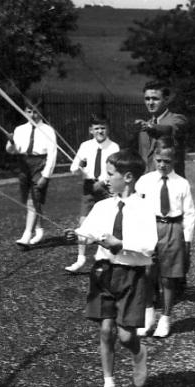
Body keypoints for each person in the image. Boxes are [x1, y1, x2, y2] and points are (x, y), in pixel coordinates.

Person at [76, 151, 157, 387]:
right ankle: (108, 386)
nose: (105, 179)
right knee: (105, 330)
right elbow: (88, 232)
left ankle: (138, 352)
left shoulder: (144, 207)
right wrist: (76, 233)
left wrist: (119, 244)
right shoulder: (102, 206)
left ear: (128, 177)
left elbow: (149, 245)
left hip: (130, 274)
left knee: (125, 335)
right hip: (102, 272)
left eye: (111, 174)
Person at [134, 141, 195, 339]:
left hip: (172, 228)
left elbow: (190, 213)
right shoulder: (144, 181)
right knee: (146, 272)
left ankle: (166, 317)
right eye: (159, 160)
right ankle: (148, 313)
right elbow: (135, 205)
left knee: (168, 277)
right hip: (149, 227)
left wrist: (187, 241)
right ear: (154, 159)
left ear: (174, 161)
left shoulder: (181, 183)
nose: (162, 165)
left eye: (167, 161)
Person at [65, 114, 119, 273]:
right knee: (83, 223)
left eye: (103, 128)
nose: (100, 131)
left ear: (108, 129)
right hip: (88, 187)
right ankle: (80, 258)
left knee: (107, 224)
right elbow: (73, 168)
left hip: (106, 187)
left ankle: (106, 259)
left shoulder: (114, 147)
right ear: (91, 130)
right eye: (96, 128)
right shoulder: (85, 146)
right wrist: (80, 165)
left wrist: (102, 182)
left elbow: (115, 170)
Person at [6, 104, 58, 247]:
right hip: (24, 164)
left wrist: (46, 176)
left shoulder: (48, 130)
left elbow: (52, 154)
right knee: (29, 200)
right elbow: (12, 151)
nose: (33, 115)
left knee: (33, 200)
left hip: (40, 164)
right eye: (29, 111)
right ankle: (39, 229)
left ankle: (26, 235)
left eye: (36, 112)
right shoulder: (19, 129)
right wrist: (11, 142)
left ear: (41, 113)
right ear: (24, 112)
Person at [136, 82, 188, 176]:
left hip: (170, 182)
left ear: (166, 100)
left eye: (155, 99)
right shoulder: (144, 127)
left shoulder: (177, 119)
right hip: (148, 183)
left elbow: (169, 130)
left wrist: (151, 127)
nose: (150, 103)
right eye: (147, 99)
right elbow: (143, 157)